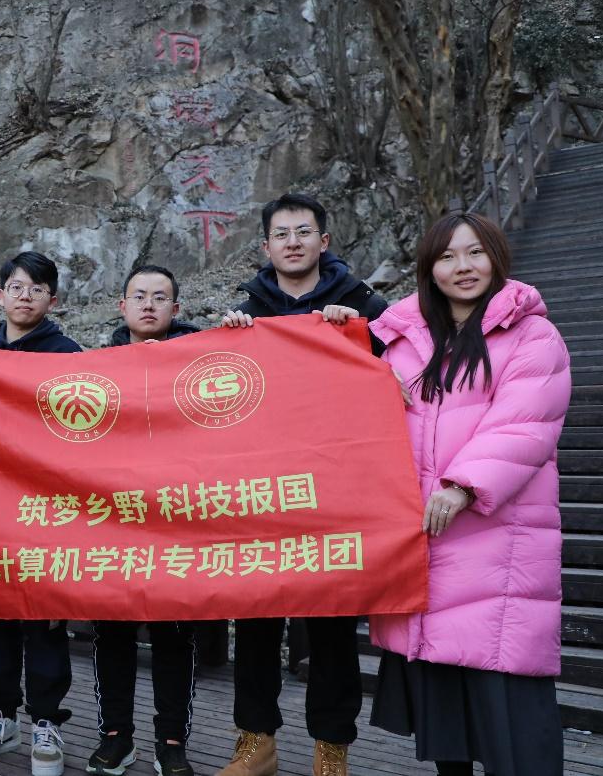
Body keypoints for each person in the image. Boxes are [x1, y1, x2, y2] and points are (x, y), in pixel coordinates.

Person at [368, 212, 570, 776]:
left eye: (475, 252)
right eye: (447, 256)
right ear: (429, 269)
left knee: (511, 716)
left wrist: (462, 486)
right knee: (448, 723)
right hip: (425, 545)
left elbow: (524, 424)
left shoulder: (533, 335)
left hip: (495, 544)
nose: (463, 266)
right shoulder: (403, 341)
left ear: (496, 257)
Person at [217, 193, 387, 776]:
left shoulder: (364, 306)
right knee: (256, 618)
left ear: (324, 241)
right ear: (266, 246)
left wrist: (359, 334)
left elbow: (402, 376)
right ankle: (254, 742)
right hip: (263, 492)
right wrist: (227, 340)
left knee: (333, 626)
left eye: (304, 232)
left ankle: (331, 750)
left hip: (335, 494)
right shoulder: (246, 313)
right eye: (282, 234)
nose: (293, 242)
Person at [0, 251, 81, 776]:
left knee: (44, 620)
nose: (25, 295)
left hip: (47, 512)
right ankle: (1, 716)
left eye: (36, 288)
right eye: (15, 286)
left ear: (53, 299)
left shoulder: (70, 356)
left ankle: (46, 722)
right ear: (0, 296)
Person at [87, 265, 198, 776]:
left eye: (160, 297)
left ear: (176, 309)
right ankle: (116, 735)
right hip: (116, 521)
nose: (149, 304)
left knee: (175, 636)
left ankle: (171, 740)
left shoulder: (202, 363)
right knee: (113, 633)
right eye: (139, 296)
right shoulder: (97, 368)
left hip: (180, 520)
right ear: (122, 306)